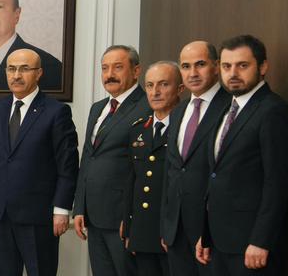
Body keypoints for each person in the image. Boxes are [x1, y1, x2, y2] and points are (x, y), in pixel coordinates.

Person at [0, 48, 79, 276]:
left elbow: (67, 166)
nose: (16, 75)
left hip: (38, 216)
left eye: (24, 69)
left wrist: (61, 209)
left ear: (38, 73)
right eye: (11, 69)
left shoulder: (56, 111)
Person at [195, 35, 288, 276]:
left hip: (252, 246)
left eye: (242, 65)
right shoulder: (227, 109)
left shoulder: (272, 111)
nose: (233, 73)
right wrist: (206, 233)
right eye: (226, 66)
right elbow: (217, 175)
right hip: (219, 243)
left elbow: (278, 183)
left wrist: (261, 240)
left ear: (263, 67)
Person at [75, 45, 151, 276]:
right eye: (105, 68)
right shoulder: (98, 108)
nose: (109, 74)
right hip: (94, 216)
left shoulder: (147, 106)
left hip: (122, 217)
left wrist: (132, 217)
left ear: (136, 71)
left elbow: (145, 169)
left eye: (118, 67)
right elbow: (88, 157)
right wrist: (79, 207)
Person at [161, 40, 229, 276]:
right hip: (176, 231)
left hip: (212, 232)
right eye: (186, 66)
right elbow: (171, 172)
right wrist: (166, 225)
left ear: (216, 66)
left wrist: (209, 230)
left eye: (200, 64)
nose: (192, 73)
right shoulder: (179, 111)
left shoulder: (230, 107)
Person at [123, 61, 183, 276]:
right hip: (143, 231)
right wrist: (129, 226)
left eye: (163, 84)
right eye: (149, 85)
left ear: (180, 88)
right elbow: (133, 180)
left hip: (174, 231)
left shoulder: (186, 127)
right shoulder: (138, 129)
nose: (155, 92)